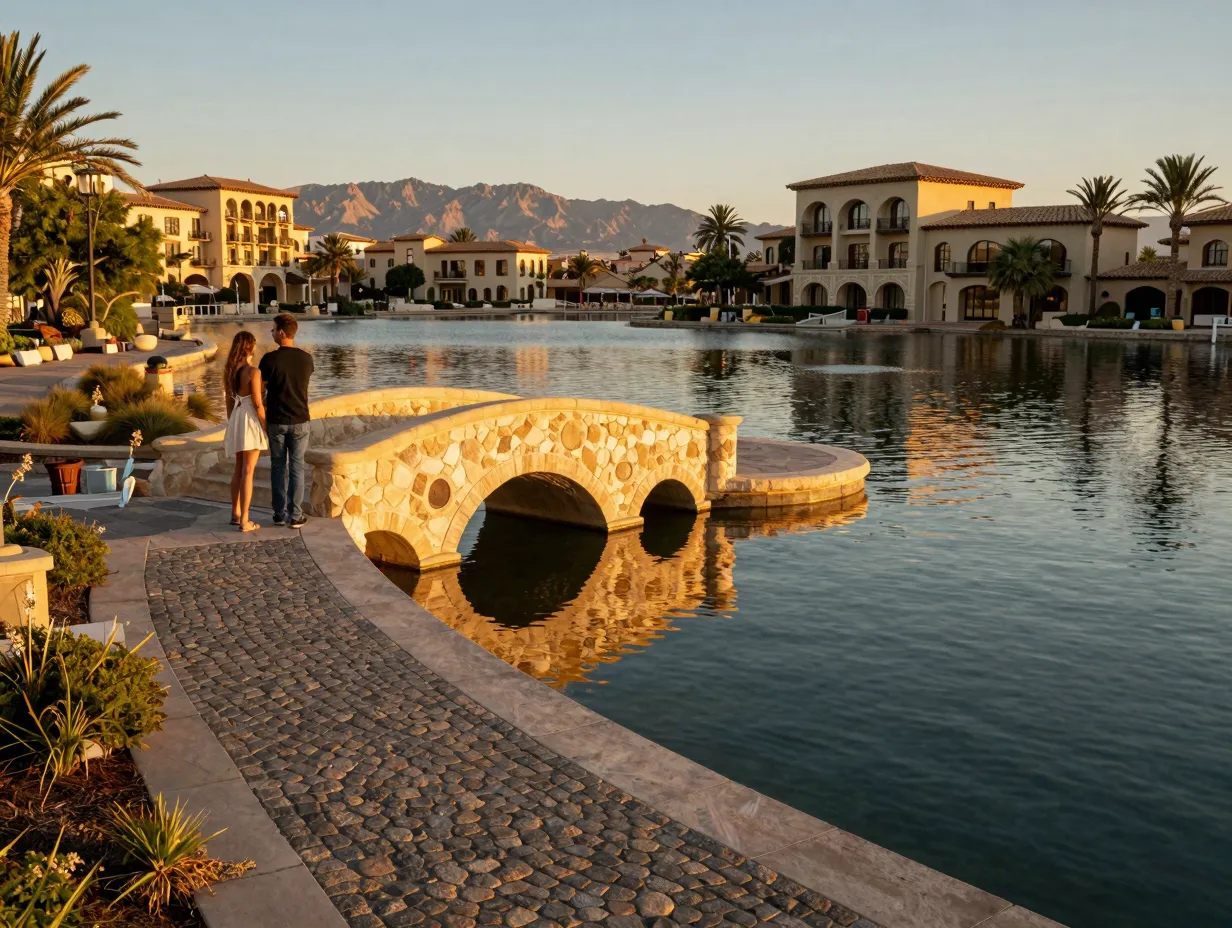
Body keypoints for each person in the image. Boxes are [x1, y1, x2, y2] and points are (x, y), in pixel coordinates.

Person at [260, 313, 314, 528]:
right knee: (297, 468)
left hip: (276, 421)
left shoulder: (269, 360)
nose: (271, 333)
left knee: (278, 466)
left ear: (281, 332)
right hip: (300, 419)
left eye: (273, 329)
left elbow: (260, 389)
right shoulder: (306, 359)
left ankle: (279, 514)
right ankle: (296, 515)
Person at [222, 330, 268, 532]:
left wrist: (232, 420)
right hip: (249, 419)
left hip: (237, 417)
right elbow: (258, 404)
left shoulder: (229, 370)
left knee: (238, 469)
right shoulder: (253, 372)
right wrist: (265, 427)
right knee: (248, 471)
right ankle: (245, 520)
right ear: (250, 346)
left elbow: (228, 401)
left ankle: (235, 513)